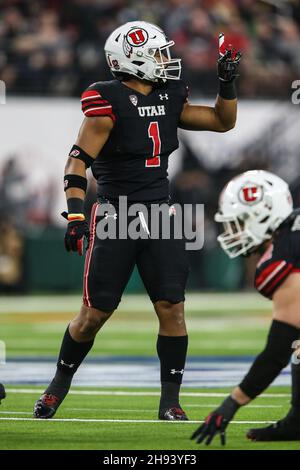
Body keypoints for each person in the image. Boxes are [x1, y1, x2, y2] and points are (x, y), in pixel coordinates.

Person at [33, 21, 241, 420]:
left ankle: (170, 402)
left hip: (161, 213)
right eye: (158, 53)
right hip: (115, 214)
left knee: (172, 308)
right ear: (134, 59)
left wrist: (227, 84)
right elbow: (78, 162)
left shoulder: (169, 95)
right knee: (94, 314)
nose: (166, 60)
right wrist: (76, 214)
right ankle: (57, 387)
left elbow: (221, 121)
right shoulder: (106, 100)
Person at [192, 170, 300, 444]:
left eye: (239, 223)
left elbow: (277, 351)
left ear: (263, 215)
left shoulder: (285, 253)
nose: (234, 232)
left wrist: (231, 404)